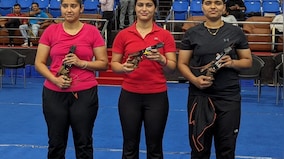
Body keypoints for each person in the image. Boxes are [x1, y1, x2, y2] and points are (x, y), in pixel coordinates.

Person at [177, 0, 252, 158]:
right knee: (199, 149)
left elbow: (247, 61)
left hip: (228, 97)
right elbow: (182, 64)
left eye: (217, 3)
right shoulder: (192, 33)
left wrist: (232, 63)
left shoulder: (235, 32)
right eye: (208, 3)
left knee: (226, 149)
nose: (213, 6)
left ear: (224, 8)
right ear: (202, 7)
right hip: (200, 97)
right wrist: (195, 80)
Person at [34, 0, 108, 158]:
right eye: (65, 6)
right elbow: (39, 63)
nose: (69, 10)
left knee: (84, 142)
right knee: (55, 142)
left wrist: (81, 63)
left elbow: (103, 64)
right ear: (60, 8)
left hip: (85, 94)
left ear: (81, 8)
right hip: (54, 93)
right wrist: (55, 80)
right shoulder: (51, 31)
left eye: (73, 6)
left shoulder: (92, 31)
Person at [111, 0, 177, 158]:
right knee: (129, 145)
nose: (144, 9)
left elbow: (172, 68)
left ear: (155, 8)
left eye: (149, 5)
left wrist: (161, 60)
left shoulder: (165, 35)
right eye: (140, 5)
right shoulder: (123, 35)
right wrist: (123, 67)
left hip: (157, 97)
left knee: (154, 146)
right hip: (130, 96)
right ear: (135, 7)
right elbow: (114, 64)